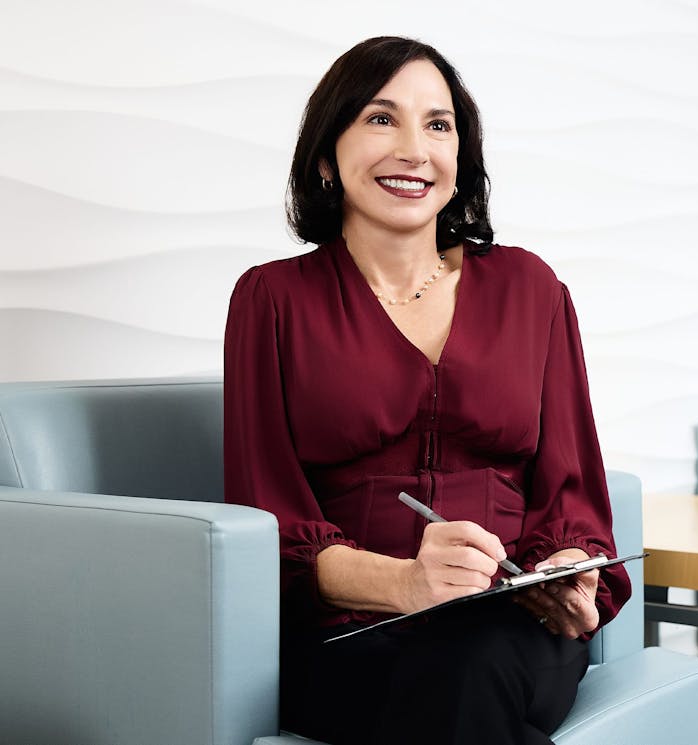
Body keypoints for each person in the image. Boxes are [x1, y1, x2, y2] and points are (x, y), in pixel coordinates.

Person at [224, 36, 631, 745]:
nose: (415, 149)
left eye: (438, 125)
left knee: (471, 662)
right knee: (457, 683)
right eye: (382, 119)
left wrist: (569, 571)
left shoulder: (530, 287)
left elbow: (572, 490)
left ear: (459, 157)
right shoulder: (271, 299)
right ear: (326, 155)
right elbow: (269, 517)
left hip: (513, 624)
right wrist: (406, 583)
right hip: (348, 631)